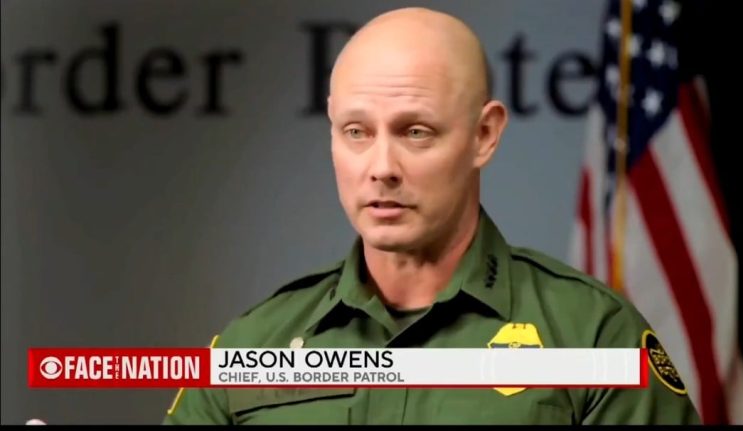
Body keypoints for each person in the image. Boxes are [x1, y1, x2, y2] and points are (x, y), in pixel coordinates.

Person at [162, 7, 701, 425]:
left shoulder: (594, 338)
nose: (381, 167)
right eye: (356, 132)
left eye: (415, 132)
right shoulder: (251, 347)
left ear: (484, 135)